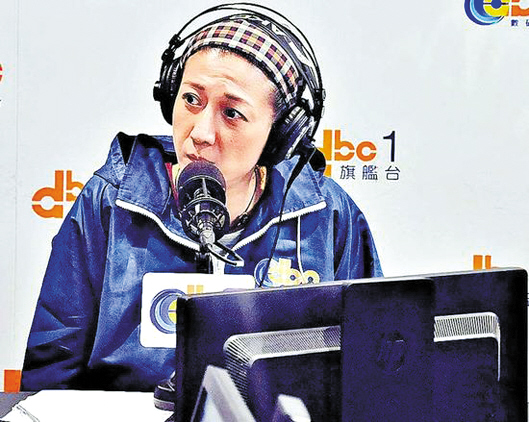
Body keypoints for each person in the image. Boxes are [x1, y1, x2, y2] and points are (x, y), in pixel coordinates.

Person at [21, 4, 382, 393]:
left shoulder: (326, 213)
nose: (201, 132)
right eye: (192, 99)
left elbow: (370, 364)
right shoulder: (110, 199)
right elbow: (51, 371)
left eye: (232, 113)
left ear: (280, 135)